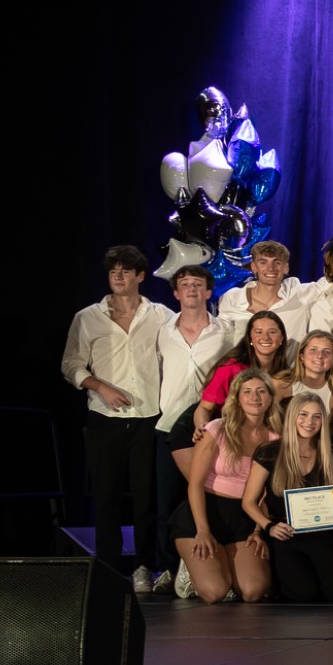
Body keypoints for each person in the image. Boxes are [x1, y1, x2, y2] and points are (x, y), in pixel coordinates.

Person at [63, 245, 176, 591]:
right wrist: (100, 386)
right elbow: (71, 364)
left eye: (126, 270)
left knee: (145, 499)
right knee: (107, 497)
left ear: (140, 276)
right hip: (104, 417)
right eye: (113, 270)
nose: (118, 276)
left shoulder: (161, 315)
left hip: (147, 416)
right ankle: (109, 568)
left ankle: (144, 566)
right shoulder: (87, 317)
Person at [151, 262, 231, 592]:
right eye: (185, 285)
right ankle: (167, 569)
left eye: (198, 284)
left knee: (214, 496)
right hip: (169, 425)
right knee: (166, 501)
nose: (192, 290)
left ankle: (209, 569)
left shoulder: (226, 330)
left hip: (211, 429)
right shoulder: (162, 331)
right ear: (175, 293)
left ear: (209, 291)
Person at [171, 368, 281, 603]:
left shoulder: (275, 439)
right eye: (247, 392)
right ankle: (191, 569)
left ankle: (226, 567)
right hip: (206, 510)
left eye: (261, 391)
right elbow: (195, 484)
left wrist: (257, 531)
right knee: (215, 592)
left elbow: (263, 494)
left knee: (253, 591)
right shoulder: (217, 429)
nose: (255, 397)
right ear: (237, 398)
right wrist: (202, 530)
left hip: (244, 515)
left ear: (271, 397)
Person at [241, 393, 333, 603]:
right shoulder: (270, 453)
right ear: (293, 416)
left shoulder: (330, 454)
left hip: (321, 534)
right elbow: (248, 501)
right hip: (285, 535)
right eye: (303, 415)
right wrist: (269, 527)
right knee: (303, 594)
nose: (309, 422)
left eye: (316, 416)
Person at [191, 310, 288, 429]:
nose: (265, 337)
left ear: (282, 338)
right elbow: (204, 408)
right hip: (229, 434)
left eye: (272, 332)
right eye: (258, 332)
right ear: (250, 338)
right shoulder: (230, 368)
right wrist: (204, 429)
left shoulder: (285, 374)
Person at [216, 240, 318, 346]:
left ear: (286, 268)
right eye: (263, 262)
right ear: (254, 267)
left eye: (277, 262)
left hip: (287, 362)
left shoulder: (300, 294)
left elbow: (330, 282)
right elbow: (220, 337)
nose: (270, 268)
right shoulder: (232, 298)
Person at [277, 330, 333, 427]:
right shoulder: (280, 386)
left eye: (326, 352)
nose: (320, 356)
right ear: (302, 356)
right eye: (313, 350)